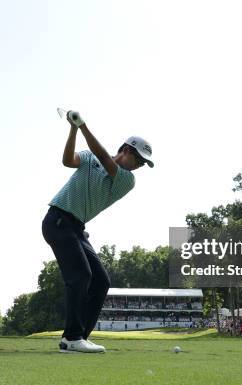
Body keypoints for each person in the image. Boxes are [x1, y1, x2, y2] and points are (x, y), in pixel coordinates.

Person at [42, 110, 154, 353]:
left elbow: (103, 157)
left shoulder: (127, 180)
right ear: (126, 150)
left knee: (101, 280)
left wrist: (82, 126)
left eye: (143, 163)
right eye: (139, 160)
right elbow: (68, 160)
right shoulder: (90, 159)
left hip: (76, 228)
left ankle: (78, 336)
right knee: (81, 275)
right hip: (58, 219)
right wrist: (73, 129)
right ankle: (72, 338)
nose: (139, 167)